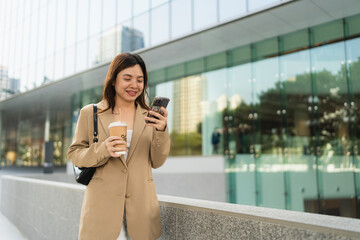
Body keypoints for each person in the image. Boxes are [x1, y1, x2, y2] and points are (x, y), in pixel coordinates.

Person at [67, 52, 170, 240]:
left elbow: (157, 161)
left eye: (140, 80)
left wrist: (161, 131)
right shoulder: (91, 113)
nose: (134, 85)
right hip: (101, 210)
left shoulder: (150, 116)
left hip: (141, 210)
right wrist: (103, 149)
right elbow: (74, 153)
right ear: (113, 80)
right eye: (127, 78)